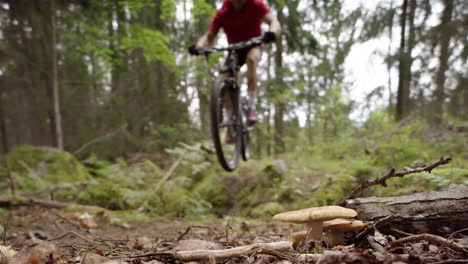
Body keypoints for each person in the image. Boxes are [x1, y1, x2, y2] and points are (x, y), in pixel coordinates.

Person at [189, 0, 281, 127]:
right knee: (224, 75)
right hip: (235, 51)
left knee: (252, 59)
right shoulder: (223, 12)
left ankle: (251, 107)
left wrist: (272, 32)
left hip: (253, 45)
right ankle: (230, 116)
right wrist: (198, 46)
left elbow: (273, 21)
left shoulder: (256, 5)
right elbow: (209, 36)